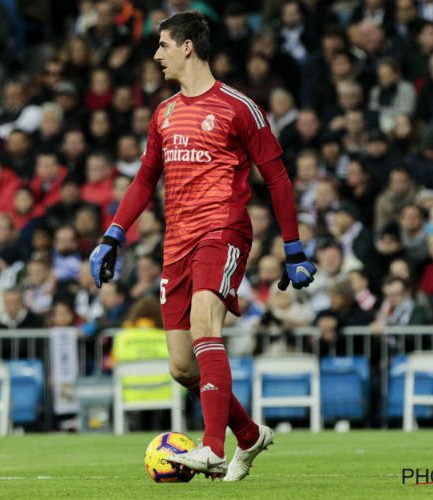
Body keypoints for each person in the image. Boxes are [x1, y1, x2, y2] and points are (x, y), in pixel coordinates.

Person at [89, 12, 316, 480]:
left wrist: (293, 248)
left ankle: (213, 446)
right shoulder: (164, 113)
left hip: (223, 230)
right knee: (181, 366)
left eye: (163, 45)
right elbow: (145, 179)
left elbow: (275, 175)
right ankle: (249, 436)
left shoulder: (238, 107)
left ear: (188, 46)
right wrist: (114, 233)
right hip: (177, 242)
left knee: (204, 322)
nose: (156, 54)